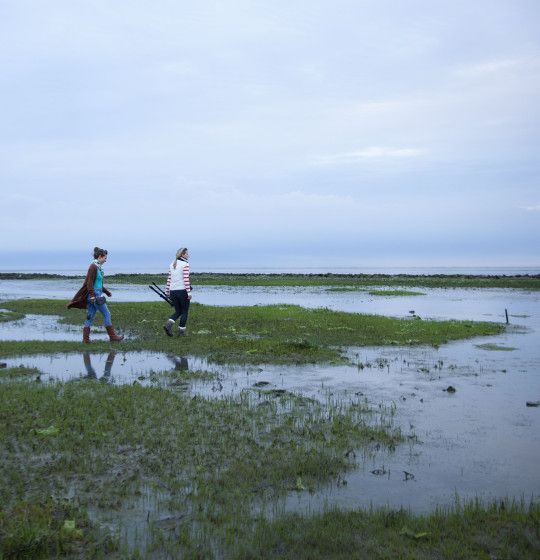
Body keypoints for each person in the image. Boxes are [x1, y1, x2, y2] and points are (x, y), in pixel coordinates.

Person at [68, 247, 124, 343]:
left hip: (94, 294)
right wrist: (93, 295)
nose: (106, 260)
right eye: (105, 258)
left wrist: (106, 292)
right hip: (94, 295)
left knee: (90, 316)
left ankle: (86, 340)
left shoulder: (97, 267)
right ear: (100, 256)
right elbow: (89, 283)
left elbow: (98, 284)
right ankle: (113, 337)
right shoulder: (93, 267)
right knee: (107, 314)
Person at [163, 247, 192, 337]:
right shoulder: (185, 264)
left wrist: (167, 292)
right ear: (182, 254)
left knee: (178, 311)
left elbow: (169, 279)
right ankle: (181, 331)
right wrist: (189, 293)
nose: (188, 255)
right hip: (182, 291)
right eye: (187, 253)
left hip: (173, 291)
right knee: (184, 312)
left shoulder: (172, 264)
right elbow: (186, 279)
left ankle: (168, 325)